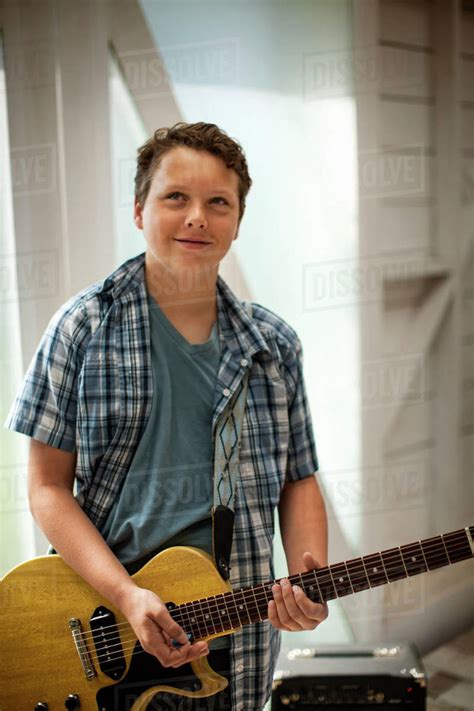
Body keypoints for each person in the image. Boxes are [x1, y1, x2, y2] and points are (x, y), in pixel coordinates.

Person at [5, 122, 328, 710]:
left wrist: (309, 582)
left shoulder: (275, 345)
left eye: (218, 203)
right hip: (106, 630)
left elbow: (298, 478)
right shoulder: (81, 329)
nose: (197, 217)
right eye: (175, 197)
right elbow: (48, 488)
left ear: (237, 220)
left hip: (238, 629)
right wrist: (127, 596)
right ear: (139, 210)